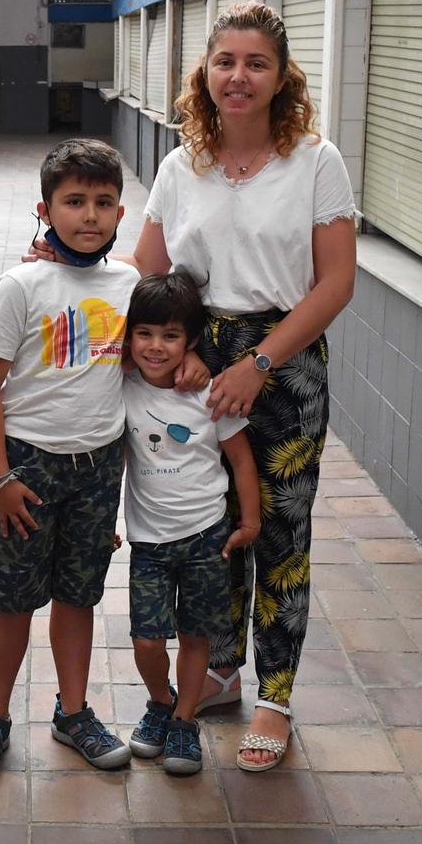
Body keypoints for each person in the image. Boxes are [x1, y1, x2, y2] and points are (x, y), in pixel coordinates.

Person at [139, 1, 357, 772]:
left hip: (285, 365)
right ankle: (224, 669)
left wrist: (257, 362)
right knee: (213, 527)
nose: (238, 76)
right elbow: (147, 271)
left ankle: (277, 695)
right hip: (202, 361)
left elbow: (335, 285)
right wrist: (189, 351)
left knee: (281, 536)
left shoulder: (315, 162)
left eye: (255, 63)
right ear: (204, 71)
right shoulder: (181, 165)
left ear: (280, 76)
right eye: (224, 61)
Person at [0, 138, 140, 781]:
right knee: (10, 600)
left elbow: (155, 357)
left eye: (103, 202)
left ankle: (73, 713)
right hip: (25, 470)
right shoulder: (22, 284)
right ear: (45, 209)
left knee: (78, 596)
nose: (89, 216)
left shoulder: (130, 285)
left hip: (98, 468)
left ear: (121, 213)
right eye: (74, 202)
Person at [121, 271, 261, 776]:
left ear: (192, 341)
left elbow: (241, 461)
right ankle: (161, 700)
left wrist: (249, 521)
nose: (156, 347)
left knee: (196, 636)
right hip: (149, 543)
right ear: (129, 335)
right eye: (145, 333)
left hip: (207, 536)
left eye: (172, 336)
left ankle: (183, 720)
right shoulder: (122, 387)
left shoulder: (212, 395)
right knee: (147, 640)